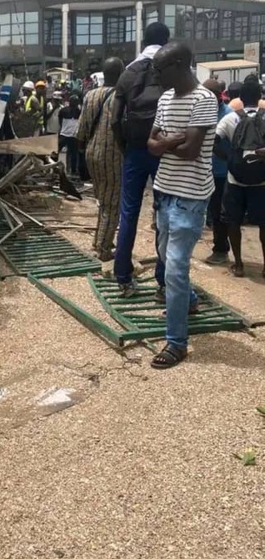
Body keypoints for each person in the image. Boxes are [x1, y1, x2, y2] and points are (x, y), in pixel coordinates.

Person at [148, 42, 218, 369]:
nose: (156, 76)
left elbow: (191, 151)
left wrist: (167, 142)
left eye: (160, 69)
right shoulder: (165, 99)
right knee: (163, 255)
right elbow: (151, 145)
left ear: (179, 64)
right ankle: (188, 301)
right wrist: (171, 141)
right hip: (163, 190)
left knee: (175, 268)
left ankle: (177, 343)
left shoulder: (204, 100)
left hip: (191, 197)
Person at [111, 22, 171, 296]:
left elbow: (114, 119)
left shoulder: (128, 72)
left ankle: (123, 276)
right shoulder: (172, 71)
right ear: (167, 40)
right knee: (164, 215)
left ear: (143, 39)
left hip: (135, 150)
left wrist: (126, 149)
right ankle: (163, 280)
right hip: (164, 151)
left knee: (129, 213)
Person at [215, 79, 265, 278]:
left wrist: (228, 158)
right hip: (262, 181)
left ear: (241, 99)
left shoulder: (230, 119)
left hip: (235, 180)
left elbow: (213, 141)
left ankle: (238, 264)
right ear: (259, 97)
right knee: (264, 224)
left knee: (233, 222)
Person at [77, 57, 125, 260]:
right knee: (112, 202)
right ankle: (103, 249)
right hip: (112, 155)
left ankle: (99, 240)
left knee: (102, 200)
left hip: (92, 153)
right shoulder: (121, 97)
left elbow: (81, 129)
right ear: (121, 73)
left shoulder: (90, 95)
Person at [202, 79, 232, 264]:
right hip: (205, 170)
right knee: (210, 212)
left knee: (220, 213)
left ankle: (221, 249)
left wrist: (211, 145)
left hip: (222, 173)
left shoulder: (229, 115)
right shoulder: (202, 111)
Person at [59, 96, 81, 175]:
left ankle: (71, 170)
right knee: (73, 154)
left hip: (65, 134)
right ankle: (72, 171)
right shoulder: (79, 112)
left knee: (57, 152)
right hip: (72, 135)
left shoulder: (63, 110)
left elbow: (60, 121)